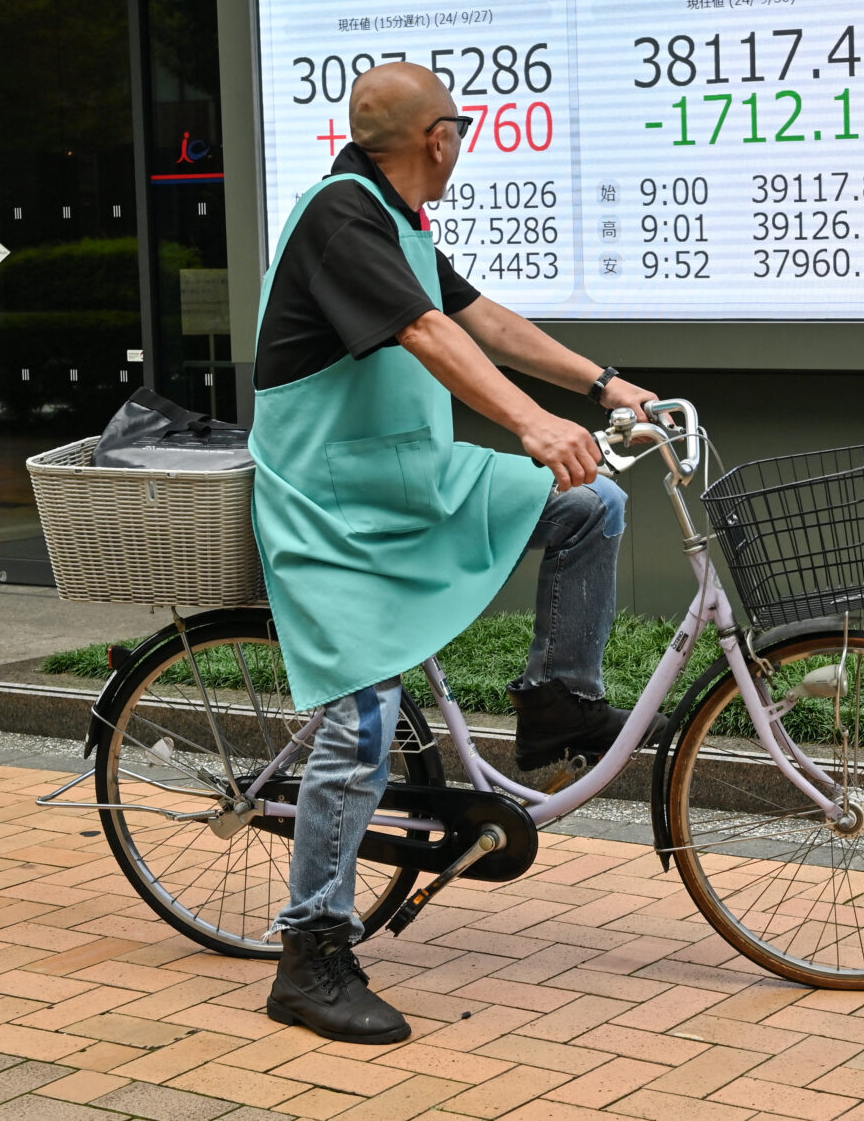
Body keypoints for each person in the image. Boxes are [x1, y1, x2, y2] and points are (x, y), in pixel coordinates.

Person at [248, 62, 667, 1044]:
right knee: (359, 726)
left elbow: (479, 318)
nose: (464, 142)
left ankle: (555, 699)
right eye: (461, 127)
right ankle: (309, 955)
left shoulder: (396, 221)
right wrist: (529, 424)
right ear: (439, 137)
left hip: (407, 477)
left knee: (588, 503)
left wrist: (603, 386)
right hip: (332, 503)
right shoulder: (339, 216)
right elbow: (428, 332)